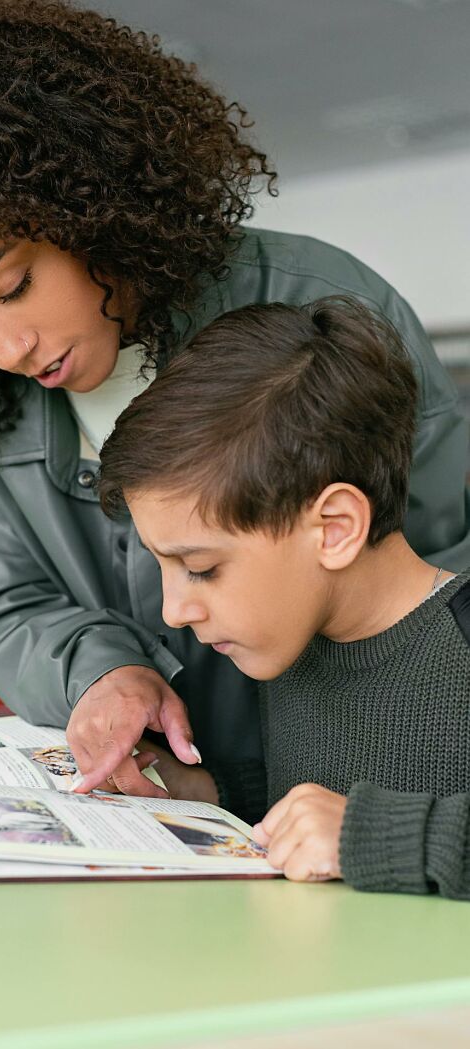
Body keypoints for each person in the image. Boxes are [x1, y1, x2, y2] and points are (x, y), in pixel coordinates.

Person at [0, 0, 470, 799]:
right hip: (173, 821)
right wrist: (105, 676)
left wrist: (358, 814)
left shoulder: (326, 309)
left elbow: (422, 589)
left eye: (14, 286)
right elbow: (3, 603)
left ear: (89, 212)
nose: (6, 350)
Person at [96, 296, 470, 897]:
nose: (174, 610)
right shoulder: (293, 645)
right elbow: (307, 798)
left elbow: (353, 825)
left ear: (334, 529)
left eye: (201, 567)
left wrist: (374, 836)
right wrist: (203, 793)